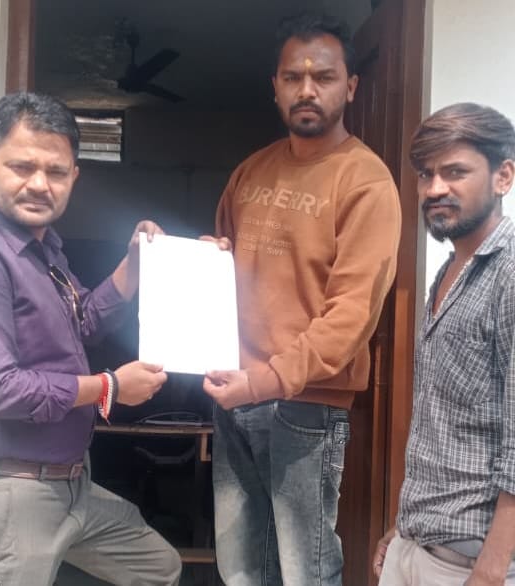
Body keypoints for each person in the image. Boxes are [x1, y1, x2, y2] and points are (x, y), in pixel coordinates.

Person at [0, 92, 182, 586]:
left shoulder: (43, 247)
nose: (38, 184)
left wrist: (134, 263)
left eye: (55, 171)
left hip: (71, 486)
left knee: (158, 567)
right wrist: (109, 388)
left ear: (74, 176)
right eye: (21, 166)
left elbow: (82, 322)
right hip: (11, 492)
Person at [202, 12, 401, 586]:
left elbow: (351, 316)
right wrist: (200, 258)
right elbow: (223, 268)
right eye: (293, 77)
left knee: (304, 572)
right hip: (234, 392)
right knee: (241, 566)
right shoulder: (251, 171)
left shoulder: (365, 182)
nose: (307, 89)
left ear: (351, 86)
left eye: (324, 77)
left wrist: (264, 381)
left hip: (306, 404)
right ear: (276, 86)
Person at [372, 103, 515, 586]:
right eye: (425, 174)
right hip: (418, 545)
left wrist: (491, 571)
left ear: (503, 177)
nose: (434, 188)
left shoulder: (510, 274)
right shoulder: (450, 272)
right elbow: (444, 423)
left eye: (455, 172)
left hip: (471, 564)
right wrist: (405, 528)